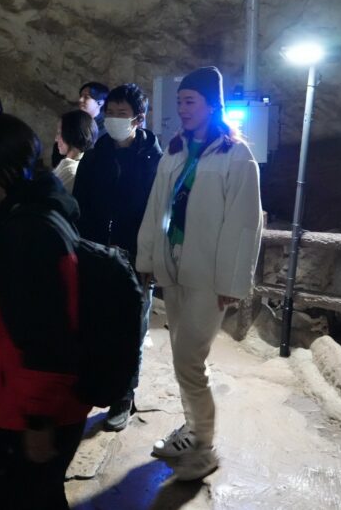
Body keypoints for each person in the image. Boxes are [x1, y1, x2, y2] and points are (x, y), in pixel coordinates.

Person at [136, 67, 263, 481]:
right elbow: (156, 207)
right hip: (175, 265)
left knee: (190, 359)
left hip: (209, 274)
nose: (182, 108)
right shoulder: (174, 151)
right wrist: (148, 259)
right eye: (179, 101)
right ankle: (192, 431)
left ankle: (204, 446)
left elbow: (243, 224)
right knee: (182, 356)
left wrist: (232, 282)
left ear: (212, 105)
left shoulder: (236, 156)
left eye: (190, 101)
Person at [0, 114, 91, 510]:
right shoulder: (31, 209)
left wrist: (38, 422)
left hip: (35, 409)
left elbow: (47, 334)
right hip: (30, 401)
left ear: (4, 167)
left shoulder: (27, 233)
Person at [71, 83, 162, 430]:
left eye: (121, 114)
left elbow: (160, 214)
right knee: (97, 324)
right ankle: (97, 386)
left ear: (139, 118)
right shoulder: (95, 157)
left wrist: (152, 259)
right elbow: (80, 207)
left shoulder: (155, 161)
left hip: (136, 257)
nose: (113, 119)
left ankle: (124, 395)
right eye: (109, 113)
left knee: (132, 329)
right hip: (98, 254)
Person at [51, 82, 108, 168]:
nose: (80, 100)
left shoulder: (106, 130)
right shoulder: (72, 119)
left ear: (100, 102)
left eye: (86, 97)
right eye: (81, 96)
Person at [52, 110, 94, 194]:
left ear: (72, 134)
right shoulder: (68, 165)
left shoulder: (71, 172)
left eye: (59, 133)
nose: (56, 139)